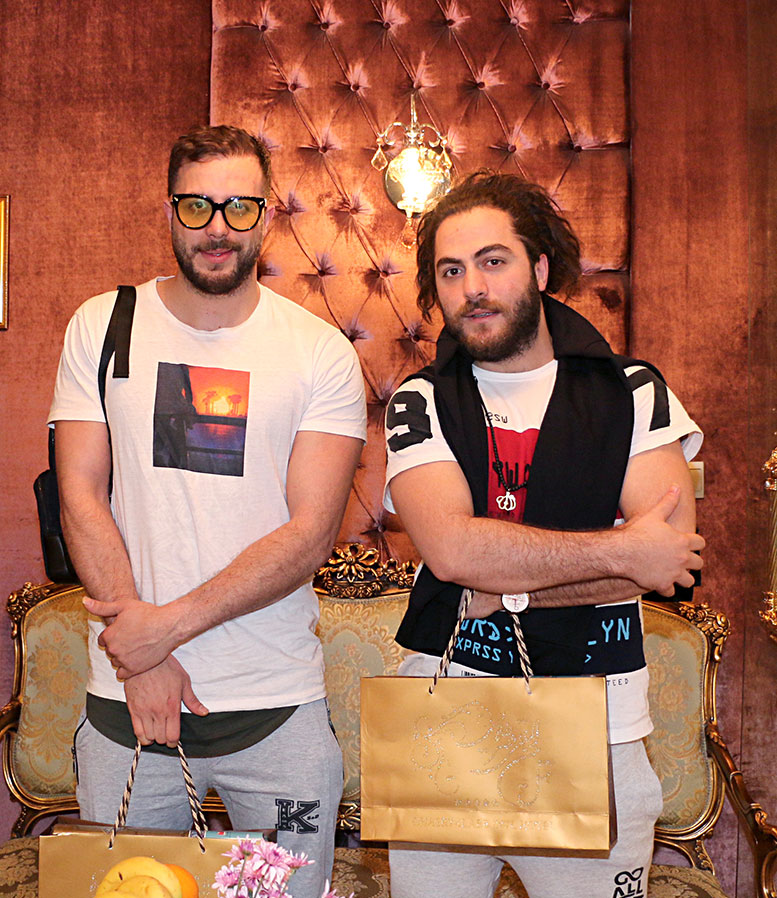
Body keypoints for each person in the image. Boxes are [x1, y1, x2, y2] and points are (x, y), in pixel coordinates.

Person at [49, 125, 366, 898]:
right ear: (169, 211)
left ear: (267, 215)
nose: (217, 227)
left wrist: (164, 630)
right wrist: (144, 657)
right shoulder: (103, 323)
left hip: (276, 708)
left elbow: (311, 533)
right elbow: (79, 493)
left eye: (238, 207)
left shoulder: (319, 351)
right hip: (128, 705)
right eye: (197, 206)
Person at [383, 171, 704, 898]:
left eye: (492, 261)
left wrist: (500, 589)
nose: (472, 287)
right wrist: (620, 550)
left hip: (601, 725)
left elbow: (670, 561)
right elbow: (452, 552)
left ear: (538, 267)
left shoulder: (633, 390)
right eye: (450, 271)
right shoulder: (419, 399)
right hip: (448, 716)